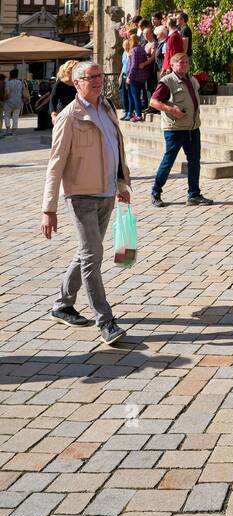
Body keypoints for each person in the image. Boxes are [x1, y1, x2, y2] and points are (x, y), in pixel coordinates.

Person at [40, 61, 132, 344]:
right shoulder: (69, 116)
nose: (96, 81)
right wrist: (49, 209)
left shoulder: (107, 107)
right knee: (93, 256)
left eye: (98, 76)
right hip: (80, 196)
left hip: (106, 192)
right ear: (76, 83)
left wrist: (121, 183)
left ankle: (62, 304)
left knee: (86, 253)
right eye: (89, 77)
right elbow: (55, 164)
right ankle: (105, 320)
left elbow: (115, 147)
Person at [148, 52, 214, 207]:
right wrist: (171, 110)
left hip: (192, 128)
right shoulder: (167, 81)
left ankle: (194, 195)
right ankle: (155, 192)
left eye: (186, 62)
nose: (184, 65)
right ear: (172, 65)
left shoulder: (191, 80)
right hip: (175, 128)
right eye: (180, 62)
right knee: (168, 160)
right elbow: (153, 102)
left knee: (194, 161)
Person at [126, 35, 149, 121]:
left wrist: (129, 76)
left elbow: (133, 65)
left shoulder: (134, 50)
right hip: (142, 77)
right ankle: (138, 113)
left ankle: (138, 115)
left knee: (136, 97)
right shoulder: (142, 49)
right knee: (139, 96)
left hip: (135, 77)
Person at [2, 68, 25, 133]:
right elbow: (22, 92)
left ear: (10, 75)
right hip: (18, 101)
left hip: (9, 101)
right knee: (15, 116)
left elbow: (7, 93)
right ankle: (14, 130)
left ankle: (8, 129)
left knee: (7, 115)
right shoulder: (20, 83)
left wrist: (4, 99)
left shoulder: (8, 83)